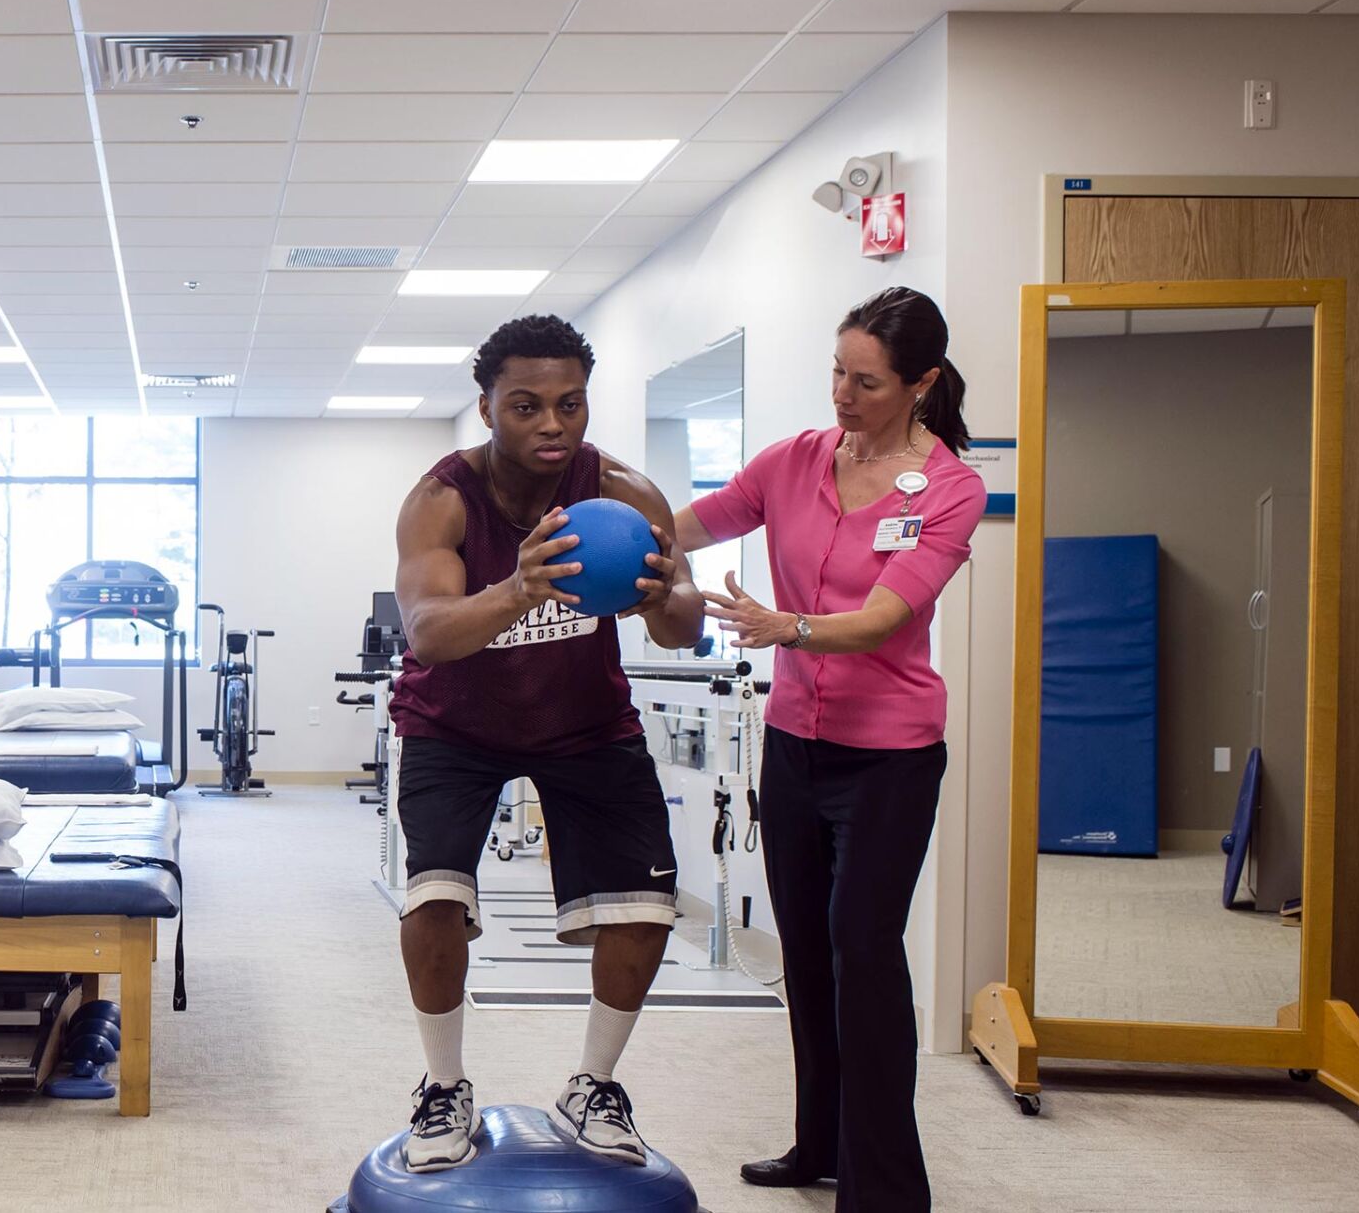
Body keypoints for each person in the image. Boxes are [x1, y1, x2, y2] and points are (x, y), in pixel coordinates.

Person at [675, 286, 980, 1213]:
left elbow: (887, 618)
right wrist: (604, 521)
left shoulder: (951, 489)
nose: (843, 396)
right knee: (805, 951)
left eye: (869, 381)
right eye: (837, 373)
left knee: (863, 946)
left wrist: (783, 626)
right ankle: (820, 1143)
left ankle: (886, 1187)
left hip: (889, 757)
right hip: (795, 748)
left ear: (921, 383)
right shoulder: (795, 460)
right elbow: (690, 523)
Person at [387, 314, 705, 1173]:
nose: (552, 425)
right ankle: (444, 1085)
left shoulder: (627, 495)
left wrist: (655, 598)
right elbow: (429, 633)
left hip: (585, 722)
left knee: (645, 907)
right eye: (526, 406)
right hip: (453, 722)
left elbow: (682, 625)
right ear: (487, 407)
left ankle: (591, 1085)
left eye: (570, 404)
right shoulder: (442, 499)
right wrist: (522, 586)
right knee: (435, 898)